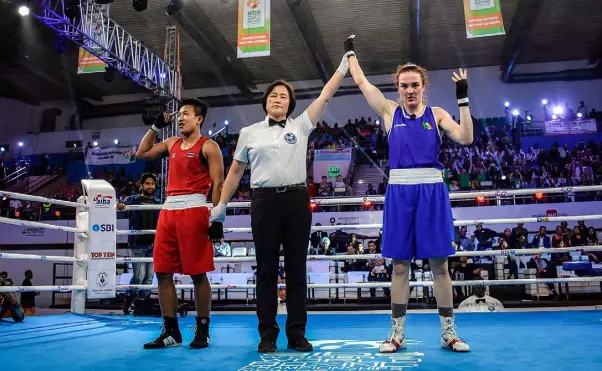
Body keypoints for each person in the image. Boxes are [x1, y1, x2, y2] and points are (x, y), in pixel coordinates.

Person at [210, 49, 352, 353]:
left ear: (290, 104)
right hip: (263, 202)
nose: (277, 99)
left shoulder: (300, 126)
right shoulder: (249, 133)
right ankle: (267, 336)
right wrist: (221, 205)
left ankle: (297, 334)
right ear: (265, 101)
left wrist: (341, 68)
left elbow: (324, 98)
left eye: (283, 96)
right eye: (273, 95)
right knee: (265, 270)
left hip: (297, 200)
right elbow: (235, 172)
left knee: (297, 269)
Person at [347, 35, 472, 352]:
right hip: (400, 192)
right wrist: (349, 53)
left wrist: (463, 98)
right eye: (404, 85)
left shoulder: (439, 114)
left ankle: (449, 333)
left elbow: (466, 138)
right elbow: (361, 82)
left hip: (432, 191)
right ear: (398, 88)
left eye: (415, 84)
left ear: (423, 86)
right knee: (400, 266)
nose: (410, 90)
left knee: (440, 266)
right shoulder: (390, 112)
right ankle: (396, 333)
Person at [135, 97, 224, 349]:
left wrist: (217, 218)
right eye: (179, 114)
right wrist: (154, 127)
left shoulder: (209, 147)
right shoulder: (172, 142)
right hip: (169, 210)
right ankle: (171, 331)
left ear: (199, 119)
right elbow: (141, 152)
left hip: (195, 210)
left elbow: (218, 183)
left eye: (186, 113)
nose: (180, 117)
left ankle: (203, 329)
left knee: (197, 273)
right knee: (162, 271)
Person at [117, 173, 161, 315]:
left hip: (154, 244)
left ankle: (142, 306)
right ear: (141, 185)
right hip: (138, 244)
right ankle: (128, 301)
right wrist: (120, 205)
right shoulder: (133, 200)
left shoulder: (157, 202)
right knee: (139, 277)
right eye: (147, 183)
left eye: (152, 184)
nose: (150, 186)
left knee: (149, 278)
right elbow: (120, 205)